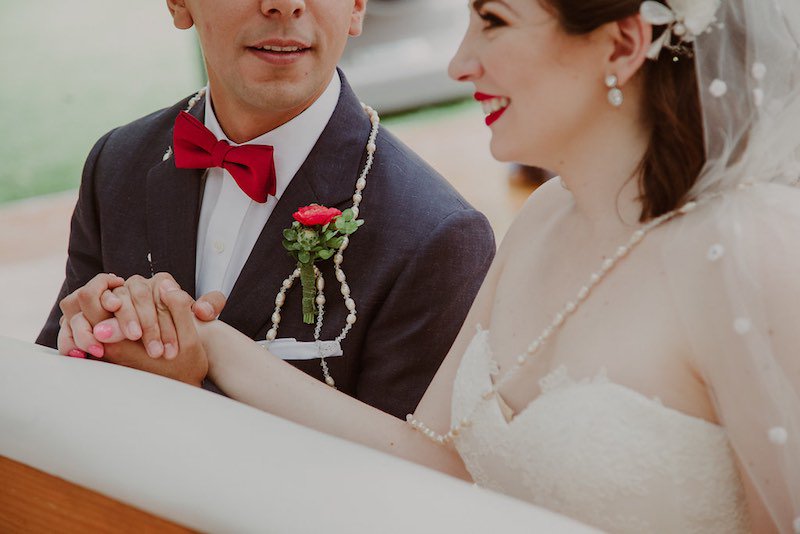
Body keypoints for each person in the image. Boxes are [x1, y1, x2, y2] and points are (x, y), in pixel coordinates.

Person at [69, 0, 800, 531]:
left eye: (494, 19)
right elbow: (438, 461)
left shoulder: (745, 250)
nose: (457, 62)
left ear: (621, 45)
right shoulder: (543, 219)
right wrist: (210, 348)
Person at [36, 0, 496, 419]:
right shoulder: (118, 162)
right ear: (179, 4)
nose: (285, 4)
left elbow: (402, 487)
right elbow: (53, 401)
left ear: (356, 7)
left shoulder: (436, 237)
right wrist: (86, 335)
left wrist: (190, 388)